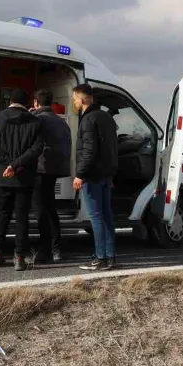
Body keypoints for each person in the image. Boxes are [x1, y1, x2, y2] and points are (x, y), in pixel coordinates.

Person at [0, 88, 44, 271]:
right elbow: (37, 147)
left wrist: (7, 163)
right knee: (22, 217)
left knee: (4, 214)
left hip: (2, 176)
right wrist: (17, 164)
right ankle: (19, 258)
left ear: (9, 101)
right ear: (27, 103)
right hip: (24, 176)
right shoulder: (34, 122)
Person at [71, 83, 119, 271]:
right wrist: (111, 174)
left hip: (91, 176)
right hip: (106, 176)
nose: (74, 102)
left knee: (96, 217)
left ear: (82, 100)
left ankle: (100, 258)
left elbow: (89, 151)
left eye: (75, 98)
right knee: (107, 216)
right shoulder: (106, 117)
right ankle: (110, 256)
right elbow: (112, 150)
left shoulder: (88, 120)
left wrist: (80, 174)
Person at [30, 89, 71, 263]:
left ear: (36, 103)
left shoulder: (37, 120)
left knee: (40, 211)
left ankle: (45, 250)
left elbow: (31, 143)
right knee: (51, 208)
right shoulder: (62, 122)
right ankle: (57, 249)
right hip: (56, 169)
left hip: (40, 169)